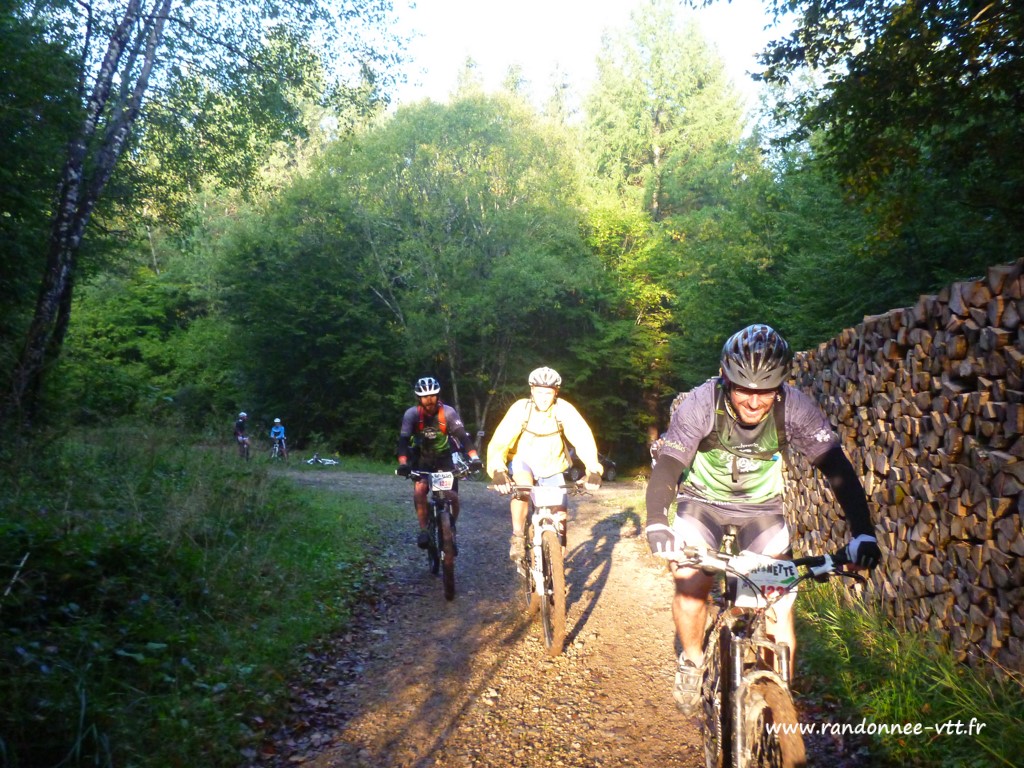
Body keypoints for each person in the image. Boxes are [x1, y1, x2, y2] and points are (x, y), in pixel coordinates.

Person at [644, 324, 881, 715]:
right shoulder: (701, 403)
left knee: (779, 603)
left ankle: (777, 699)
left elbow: (837, 469)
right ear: (725, 378)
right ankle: (692, 661)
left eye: (766, 391)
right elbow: (669, 465)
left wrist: (864, 534)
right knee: (690, 582)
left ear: (781, 385)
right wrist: (657, 521)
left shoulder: (795, 408)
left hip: (761, 509)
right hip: (702, 502)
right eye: (743, 389)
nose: (754, 402)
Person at [486, 366, 603, 565]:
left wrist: (593, 469)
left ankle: (557, 568)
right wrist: (498, 469)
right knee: (523, 488)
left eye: (548, 393)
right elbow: (500, 441)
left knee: (560, 521)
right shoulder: (521, 409)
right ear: (532, 390)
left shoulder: (564, 410)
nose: (543, 398)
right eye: (539, 392)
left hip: (552, 466)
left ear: (556, 392)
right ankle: (518, 536)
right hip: (524, 461)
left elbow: (582, 438)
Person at [396, 377, 483, 549]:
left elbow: (463, 437)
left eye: (432, 396)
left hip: (444, 459)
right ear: (418, 398)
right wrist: (403, 463)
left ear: (438, 396)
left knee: (453, 497)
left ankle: (451, 527)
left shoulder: (448, 412)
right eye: (425, 397)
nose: (429, 400)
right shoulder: (412, 414)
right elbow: (403, 441)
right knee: (420, 491)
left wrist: (474, 458)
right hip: (422, 459)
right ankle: (424, 530)